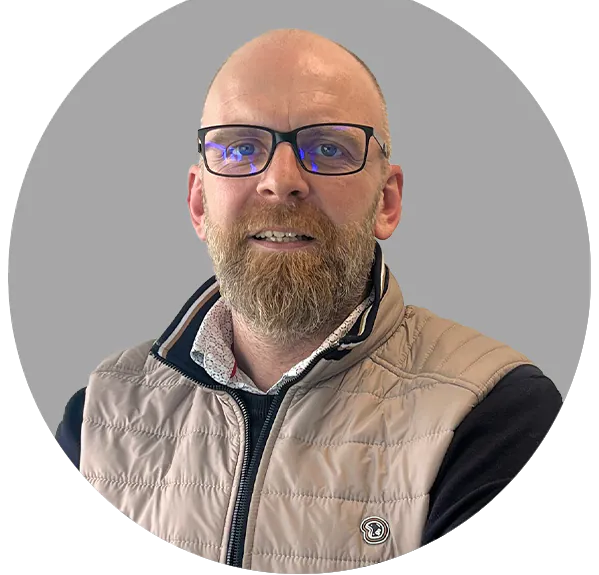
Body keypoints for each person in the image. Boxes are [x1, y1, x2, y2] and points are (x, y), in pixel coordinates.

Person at [56, 28, 562, 573]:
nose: (281, 181)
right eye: (241, 148)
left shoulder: (493, 414)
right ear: (199, 203)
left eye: (328, 149)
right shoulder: (98, 419)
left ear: (387, 202)